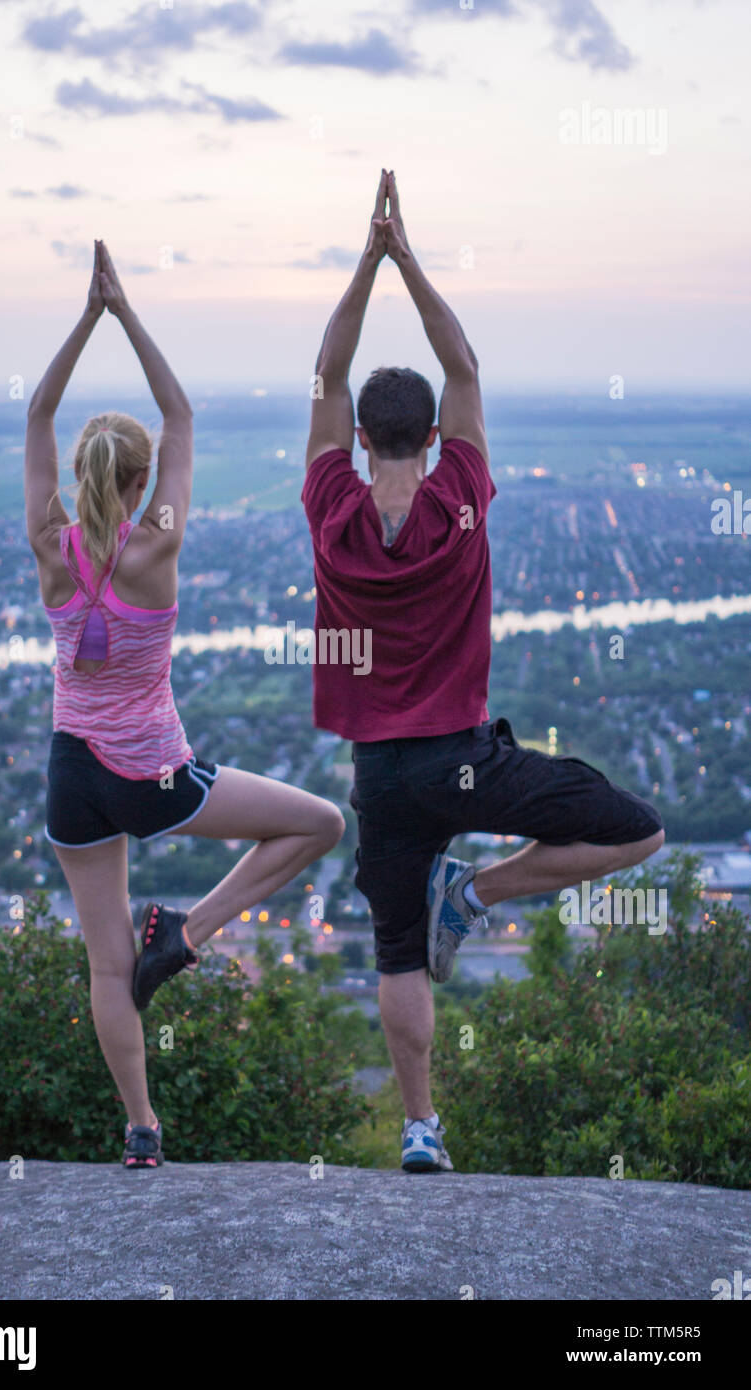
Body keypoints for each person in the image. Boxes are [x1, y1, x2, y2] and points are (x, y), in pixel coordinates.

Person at [301, 172, 664, 1175]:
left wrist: (363, 262)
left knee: (394, 952)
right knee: (639, 830)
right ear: (429, 437)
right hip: (465, 760)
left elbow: (323, 375)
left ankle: (420, 1127)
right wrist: (405, 256)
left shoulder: (330, 511)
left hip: (381, 773)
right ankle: (478, 891)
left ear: (363, 440)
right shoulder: (461, 492)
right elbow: (460, 362)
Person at [25, 241, 344, 1169]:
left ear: (81, 475)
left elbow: (41, 409)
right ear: (136, 486)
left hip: (71, 779)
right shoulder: (152, 550)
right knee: (318, 824)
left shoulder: (50, 545)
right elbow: (182, 413)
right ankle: (191, 934)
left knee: (105, 965)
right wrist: (124, 312)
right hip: (156, 776)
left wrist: (84, 319)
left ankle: (141, 1128)